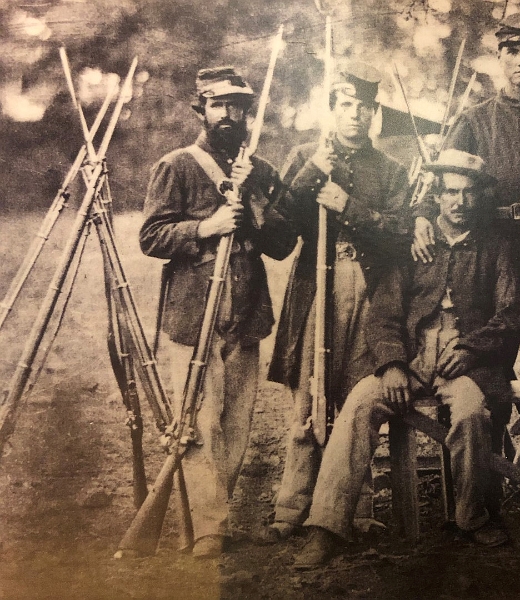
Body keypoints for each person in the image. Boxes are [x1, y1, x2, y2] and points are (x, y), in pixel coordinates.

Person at [292, 149, 520, 569]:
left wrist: (472, 349)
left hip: (468, 358)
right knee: (359, 404)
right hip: (413, 353)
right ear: (436, 196)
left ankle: (473, 516)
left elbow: (509, 315)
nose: (460, 202)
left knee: (471, 413)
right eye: (451, 192)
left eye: (469, 193)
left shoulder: (498, 246)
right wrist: (393, 364)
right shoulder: (412, 245)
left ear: (480, 196)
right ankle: (326, 525)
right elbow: (383, 315)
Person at [412, 11, 520, 501]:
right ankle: (483, 490)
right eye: (512, 52)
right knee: (485, 372)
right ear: (499, 57)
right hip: (488, 262)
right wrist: (422, 217)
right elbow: (440, 184)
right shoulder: (474, 121)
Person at [139, 66, 297, 558]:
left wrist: (255, 201)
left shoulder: (262, 171)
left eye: (238, 106)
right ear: (201, 110)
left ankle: (214, 516)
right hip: (193, 316)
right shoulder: (176, 166)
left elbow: (281, 245)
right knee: (199, 422)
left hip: (246, 313)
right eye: (218, 105)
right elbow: (151, 237)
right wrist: (205, 228)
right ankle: (210, 527)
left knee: (236, 424)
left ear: (248, 113)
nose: (229, 114)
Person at [266, 62, 411, 541]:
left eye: (364, 107)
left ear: (373, 113)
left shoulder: (390, 170)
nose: (355, 114)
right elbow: (278, 233)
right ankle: (291, 507)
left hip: (369, 290)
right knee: (310, 394)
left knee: (356, 394)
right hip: (317, 287)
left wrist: (349, 206)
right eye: (346, 105)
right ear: (333, 109)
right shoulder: (306, 157)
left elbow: (400, 235)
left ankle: (356, 508)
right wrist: (312, 175)